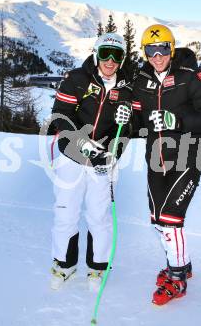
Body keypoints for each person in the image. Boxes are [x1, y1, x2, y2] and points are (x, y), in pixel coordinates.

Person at [131, 24, 201, 305]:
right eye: (151, 50)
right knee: (158, 220)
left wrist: (178, 122)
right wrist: (127, 116)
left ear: (171, 49)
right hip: (156, 156)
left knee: (171, 217)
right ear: (145, 52)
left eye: (162, 49)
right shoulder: (141, 80)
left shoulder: (190, 76)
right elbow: (138, 121)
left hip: (188, 153)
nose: (157, 56)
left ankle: (178, 278)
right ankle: (182, 262)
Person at [50, 32, 133, 290]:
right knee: (66, 212)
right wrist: (79, 142)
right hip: (71, 157)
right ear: (96, 52)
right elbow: (60, 117)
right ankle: (65, 265)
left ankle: (97, 268)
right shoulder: (77, 79)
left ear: (123, 58)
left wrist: (113, 148)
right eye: (105, 53)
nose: (110, 60)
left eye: (116, 55)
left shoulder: (129, 87)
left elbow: (129, 130)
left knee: (99, 216)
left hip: (103, 160)